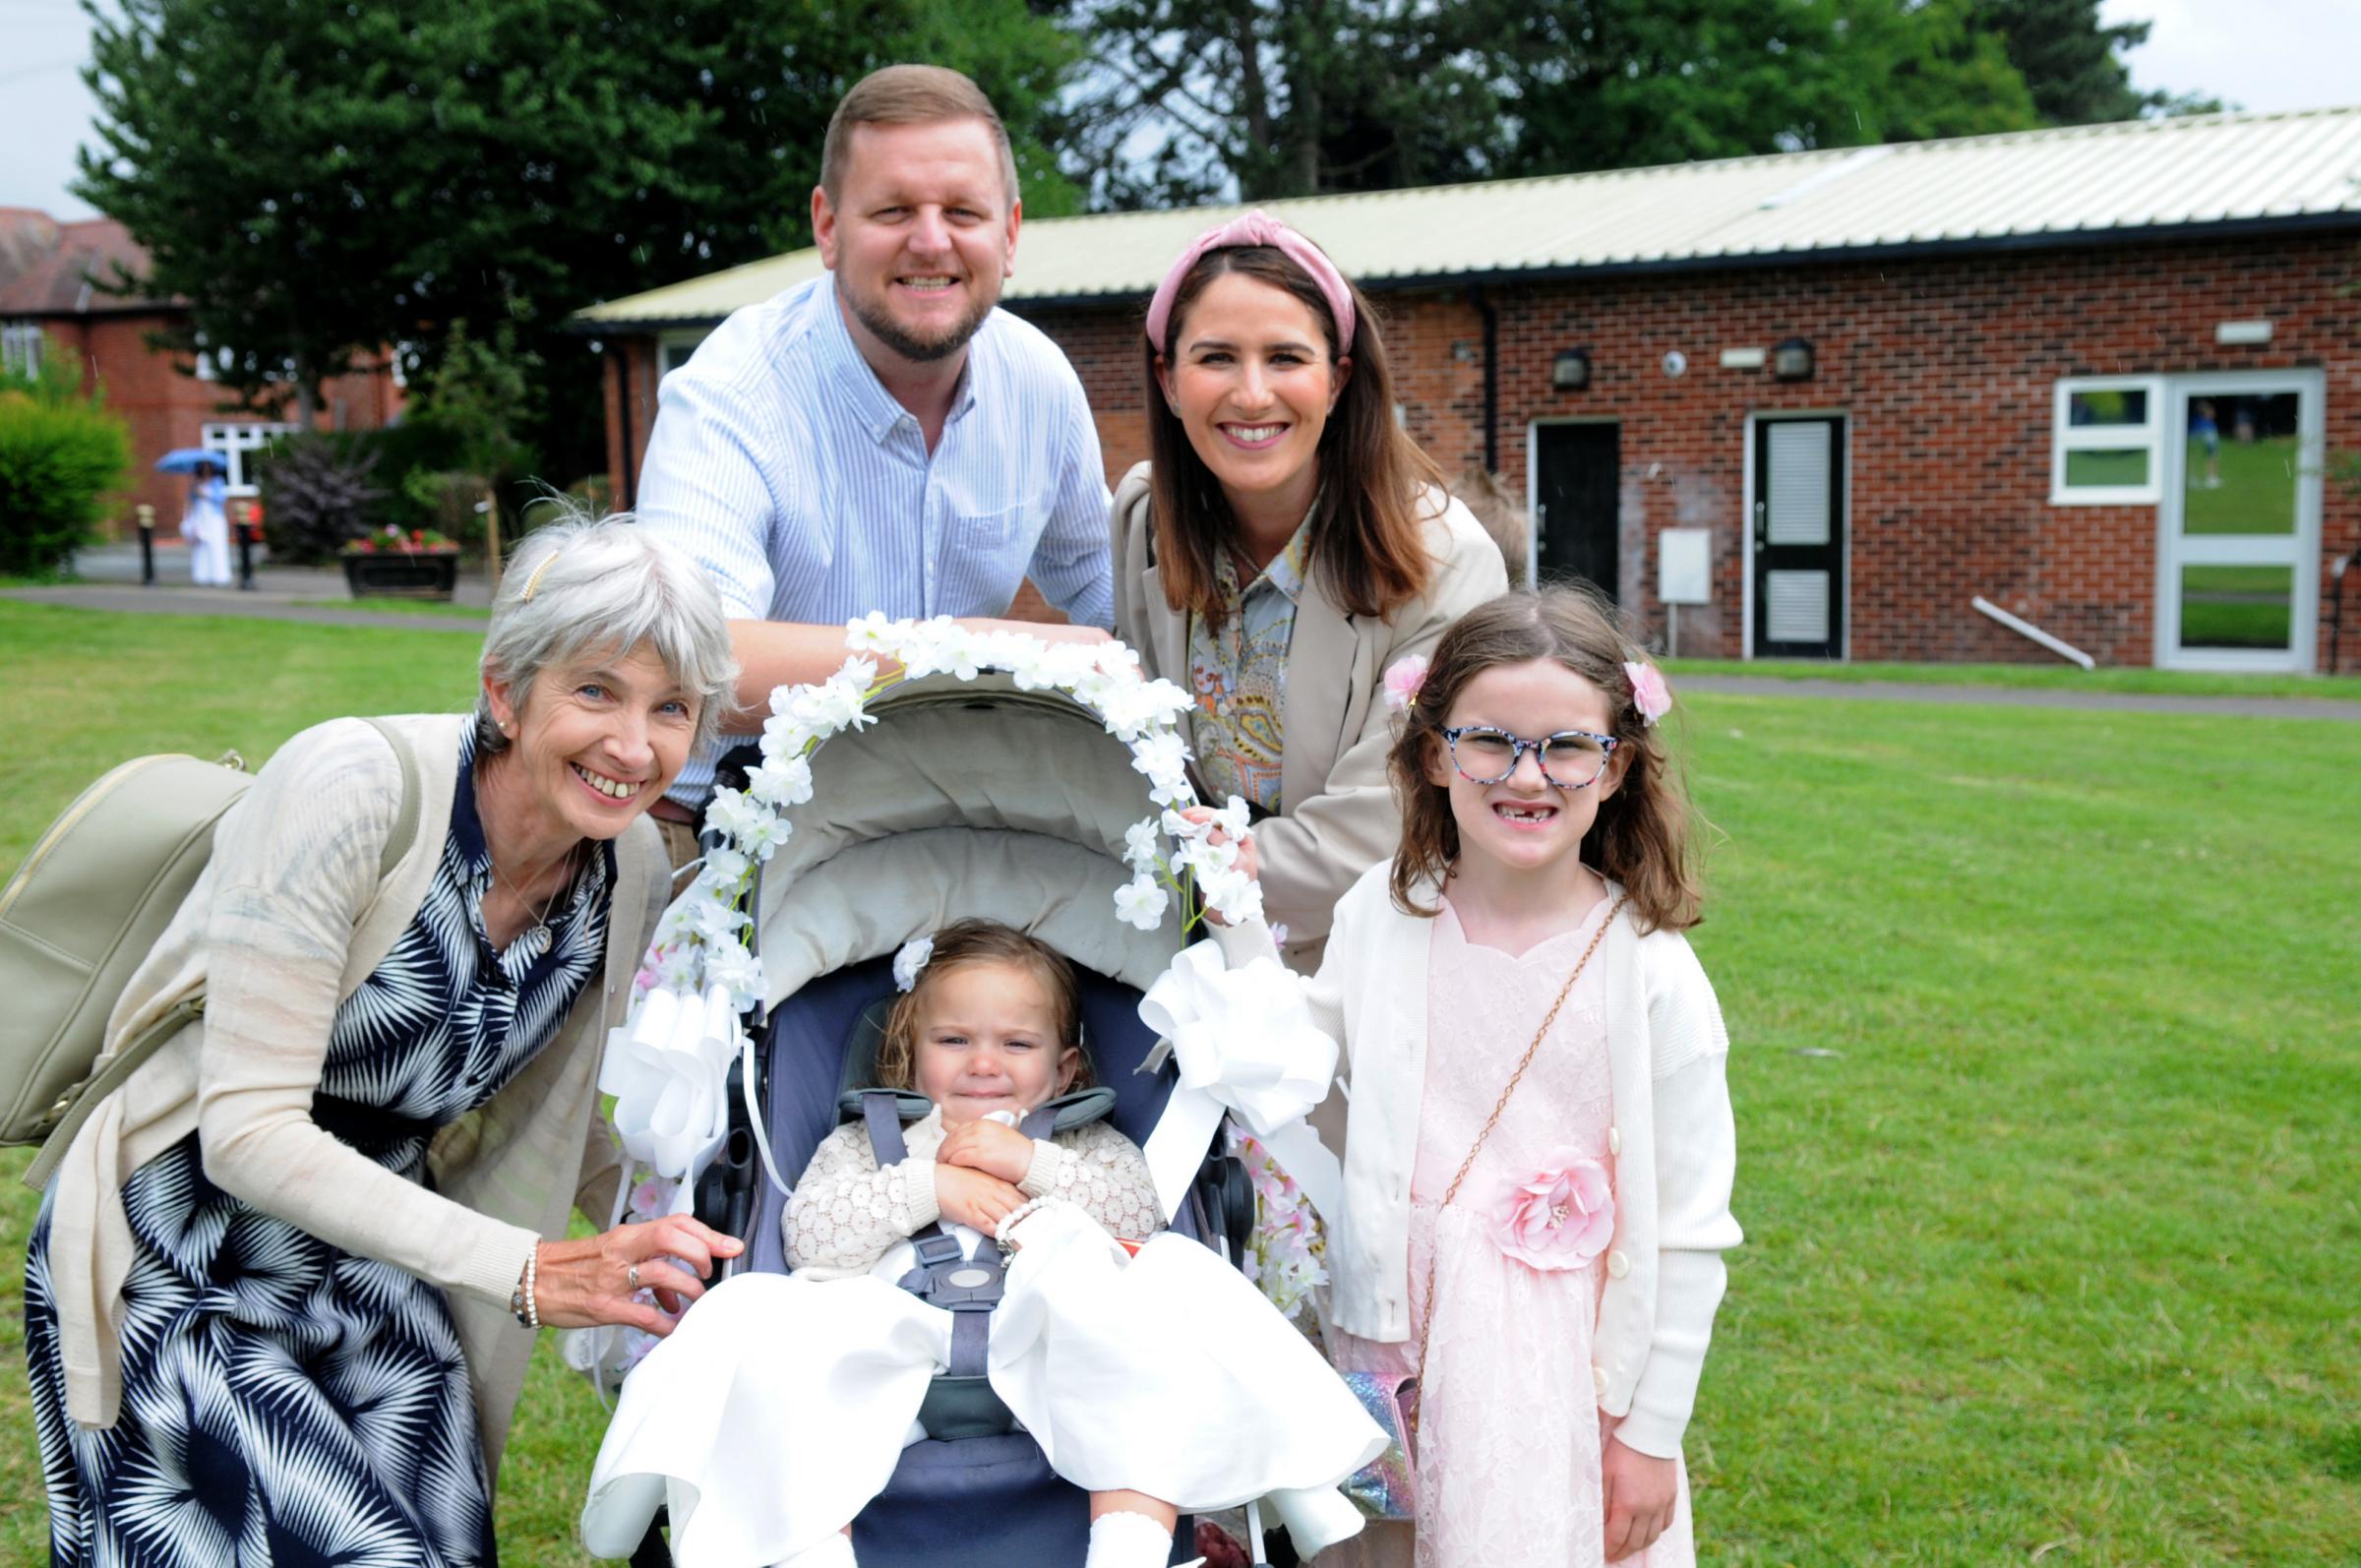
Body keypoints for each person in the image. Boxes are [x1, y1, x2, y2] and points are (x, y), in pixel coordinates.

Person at [24, 515, 751, 1566]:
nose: (634, 746)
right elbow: (245, 1132)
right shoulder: (352, 789)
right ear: (507, 691)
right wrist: (531, 1269)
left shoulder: (627, 861)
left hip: (375, 1254)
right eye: (595, 691)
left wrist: (709, 1238)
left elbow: (551, 1110)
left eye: (671, 708)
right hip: (179, 1252)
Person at [581, 920, 1382, 1568]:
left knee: (1150, 1269)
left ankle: (1129, 1546)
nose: (985, 1064)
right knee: (760, 1313)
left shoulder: (1089, 1141)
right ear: (908, 1053)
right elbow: (812, 1236)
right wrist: (932, 1185)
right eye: (955, 1041)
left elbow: (1137, 1213)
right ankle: (796, 1547)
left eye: (1017, 1045)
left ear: (1065, 1068)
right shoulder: (867, 1140)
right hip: (893, 1351)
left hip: (1055, 1353)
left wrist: (1031, 1164)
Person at [1290, 587, 1741, 1567]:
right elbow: (1293, 1071)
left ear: (1618, 765)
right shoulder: (1381, 914)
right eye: (1489, 741)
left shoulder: (1651, 970)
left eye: (1567, 746)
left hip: (1563, 1388)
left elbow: (1693, 1230)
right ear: (1430, 754)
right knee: (1381, 1543)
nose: (1528, 776)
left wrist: (1652, 1435)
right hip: (1387, 1348)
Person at [637, 64, 1116, 867]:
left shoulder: (1039, 381)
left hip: (940, 812)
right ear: (827, 227)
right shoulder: (734, 389)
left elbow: (1122, 597)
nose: (931, 241)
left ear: (1009, 233)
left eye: (962, 211)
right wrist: (985, 652)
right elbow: (696, 662)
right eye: (893, 210)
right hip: (699, 820)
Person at [1113, 211, 1508, 969]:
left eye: (1286, 357)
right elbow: (1143, 749)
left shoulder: (1447, 564)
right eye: (1216, 357)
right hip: (1185, 956)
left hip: (1363, 965)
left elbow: (1378, 828)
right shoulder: (1143, 514)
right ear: (1167, 379)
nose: (1253, 394)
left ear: (1340, 377)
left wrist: (1151, 873)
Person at [179, 458, 231, 585]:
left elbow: (221, 499)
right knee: (200, 547)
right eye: (203, 468)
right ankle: (201, 575)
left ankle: (219, 576)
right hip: (200, 517)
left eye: (208, 467)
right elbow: (190, 500)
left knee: (216, 546)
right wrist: (192, 487)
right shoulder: (196, 483)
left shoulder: (217, 482)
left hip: (213, 518)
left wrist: (206, 494)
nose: (206, 470)